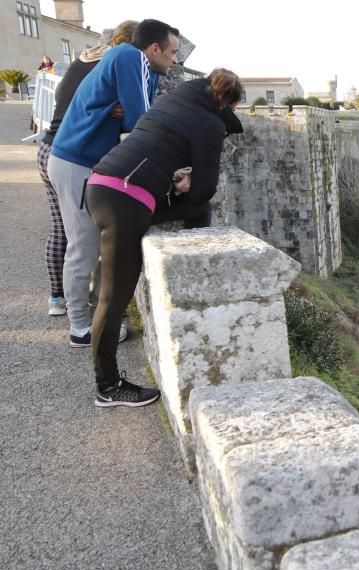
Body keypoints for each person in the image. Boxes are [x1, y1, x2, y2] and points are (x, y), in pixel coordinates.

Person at [85, 68, 244, 407]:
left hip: (102, 184)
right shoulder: (210, 122)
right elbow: (204, 190)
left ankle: (101, 284)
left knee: (113, 275)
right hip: (124, 200)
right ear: (228, 103)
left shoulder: (174, 100)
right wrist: (189, 180)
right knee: (114, 301)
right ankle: (108, 387)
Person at [48, 18, 179, 347]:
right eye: (173, 52)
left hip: (85, 162)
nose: (176, 60)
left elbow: (139, 117)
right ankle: (80, 329)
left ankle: (93, 318)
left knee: (92, 245)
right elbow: (141, 122)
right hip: (76, 161)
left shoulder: (142, 69)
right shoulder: (129, 57)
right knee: (84, 247)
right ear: (153, 49)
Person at [37, 21, 137, 316]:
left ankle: (58, 298)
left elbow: (66, 98)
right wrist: (110, 109)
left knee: (62, 229)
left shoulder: (88, 56)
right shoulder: (114, 64)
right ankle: (81, 314)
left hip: (48, 149)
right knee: (83, 239)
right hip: (72, 153)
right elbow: (128, 113)